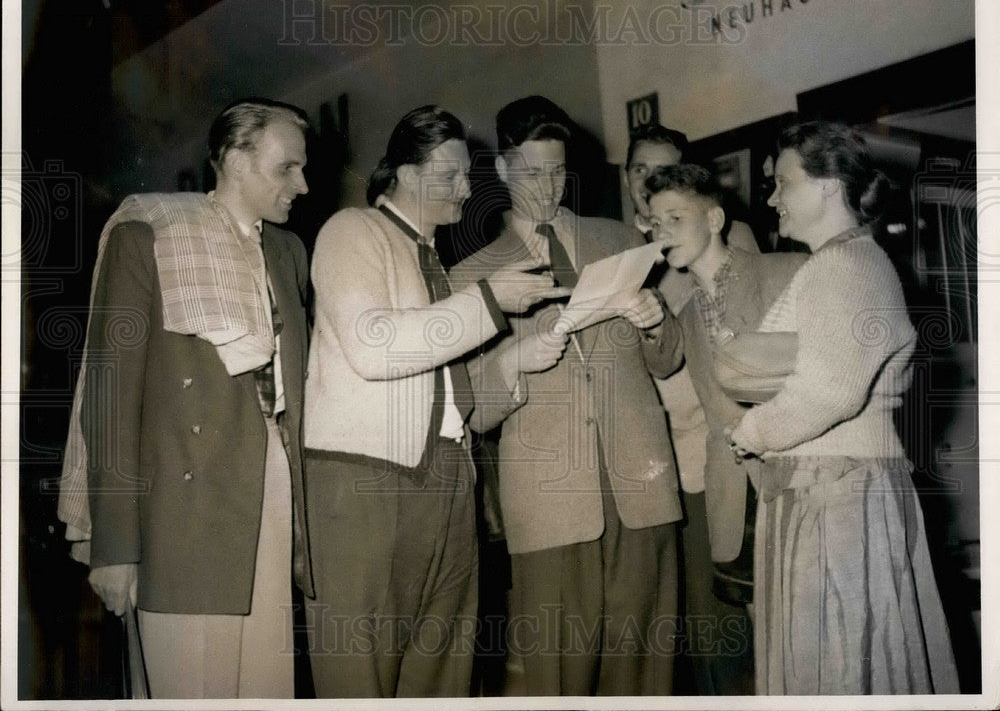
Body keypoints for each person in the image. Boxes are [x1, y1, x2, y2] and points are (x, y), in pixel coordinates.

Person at [302, 105, 569, 698]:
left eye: (467, 175)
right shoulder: (353, 231)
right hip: (369, 488)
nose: (467, 188)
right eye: (449, 174)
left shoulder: (435, 265)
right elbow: (375, 349)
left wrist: (511, 361)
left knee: (443, 676)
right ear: (400, 172)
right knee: (360, 678)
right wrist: (489, 301)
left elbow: (451, 399)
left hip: (447, 484)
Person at [58, 97, 313, 697]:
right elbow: (111, 399)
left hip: (273, 491)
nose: (303, 184)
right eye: (288, 168)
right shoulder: (147, 232)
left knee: (268, 690)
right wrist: (114, 550)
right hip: (181, 516)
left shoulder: (287, 251)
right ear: (234, 159)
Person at [450, 96, 683, 696]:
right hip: (550, 500)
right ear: (502, 171)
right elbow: (468, 407)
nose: (549, 188)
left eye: (558, 171)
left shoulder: (619, 239)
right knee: (559, 677)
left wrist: (656, 318)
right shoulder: (469, 275)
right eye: (533, 173)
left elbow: (668, 356)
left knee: (645, 673)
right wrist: (511, 363)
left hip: (640, 487)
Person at [726, 121, 960, 694]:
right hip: (832, 488)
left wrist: (753, 429)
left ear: (830, 186)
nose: (773, 198)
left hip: (836, 493)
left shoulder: (845, 267)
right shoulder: (845, 262)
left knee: (841, 663)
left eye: (783, 183)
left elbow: (830, 390)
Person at [643, 163, 805, 694]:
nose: (660, 230)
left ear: (714, 218)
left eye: (674, 217)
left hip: (799, 479)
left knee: (810, 629)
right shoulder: (685, 310)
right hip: (733, 494)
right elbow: (663, 364)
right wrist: (649, 321)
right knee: (762, 633)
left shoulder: (784, 271)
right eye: (654, 220)